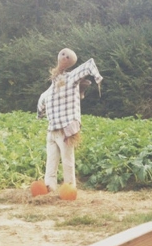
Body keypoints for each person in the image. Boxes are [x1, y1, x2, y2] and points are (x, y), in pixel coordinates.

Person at [37, 48, 103, 192]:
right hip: (52, 129)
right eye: (63, 54)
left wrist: (97, 78)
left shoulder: (71, 77)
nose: (65, 57)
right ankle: (49, 186)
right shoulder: (53, 84)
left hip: (65, 128)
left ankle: (69, 188)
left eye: (68, 56)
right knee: (51, 160)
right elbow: (43, 98)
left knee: (67, 161)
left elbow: (88, 65)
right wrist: (40, 113)